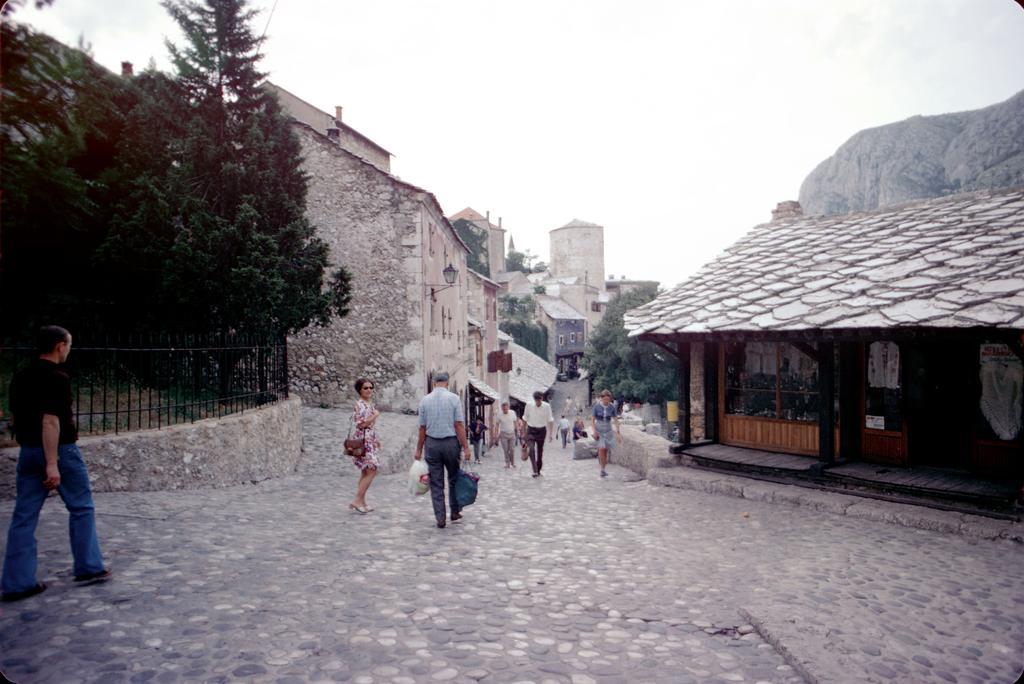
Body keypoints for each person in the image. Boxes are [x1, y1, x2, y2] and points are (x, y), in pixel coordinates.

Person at [2, 326, 109, 602]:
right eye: (68, 345)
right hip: (60, 452)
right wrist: (52, 463)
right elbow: (50, 421)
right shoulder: (57, 377)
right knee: (81, 507)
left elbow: (14, 419)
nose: (69, 351)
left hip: (28, 451)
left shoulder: (20, 376)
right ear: (60, 346)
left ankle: (17, 581)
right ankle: (89, 566)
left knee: (24, 517)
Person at [414, 371, 473, 528]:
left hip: (432, 444)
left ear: (434, 383)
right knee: (454, 478)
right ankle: (454, 511)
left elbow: (422, 428)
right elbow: (459, 425)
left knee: (436, 482)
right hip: (451, 444)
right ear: (447, 382)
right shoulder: (454, 399)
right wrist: (466, 447)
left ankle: (440, 517)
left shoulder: (424, 401)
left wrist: (419, 449)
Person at [348, 378, 380, 514]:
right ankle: (357, 500)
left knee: (365, 471)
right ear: (359, 390)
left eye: (371, 387)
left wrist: (377, 439)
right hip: (363, 441)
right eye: (365, 388)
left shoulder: (368, 403)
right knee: (373, 469)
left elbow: (370, 426)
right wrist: (375, 415)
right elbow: (361, 424)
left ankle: (362, 501)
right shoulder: (360, 405)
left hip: (369, 440)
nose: (369, 390)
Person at [522, 391, 554, 477]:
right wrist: (524, 433)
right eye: (536, 400)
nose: (538, 402)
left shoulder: (547, 406)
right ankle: (535, 470)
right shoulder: (529, 405)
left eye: (539, 400)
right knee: (531, 449)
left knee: (540, 452)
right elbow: (524, 419)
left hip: (541, 431)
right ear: (534, 400)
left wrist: (550, 434)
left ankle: (538, 470)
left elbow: (550, 420)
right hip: (531, 430)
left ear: (542, 399)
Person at [591, 389, 621, 478]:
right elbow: (592, 420)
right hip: (599, 428)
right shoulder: (596, 407)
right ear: (601, 398)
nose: (606, 401)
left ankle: (603, 467)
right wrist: (594, 431)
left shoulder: (612, 407)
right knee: (601, 448)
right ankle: (602, 470)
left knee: (606, 450)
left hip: (608, 429)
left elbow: (615, 420)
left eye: (608, 399)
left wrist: (618, 432)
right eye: (605, 399)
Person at [496, 402, 518, 469]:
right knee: (506, 450)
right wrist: (496, 433)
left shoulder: (512, 413)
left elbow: (515, 422)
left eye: (506, 409)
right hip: (503, 434)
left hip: (512, 433)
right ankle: (507, 463)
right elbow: (497, 424)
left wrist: (517, 430)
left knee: (512, 449)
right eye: (503, 409)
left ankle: (513, 463)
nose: (505, 410)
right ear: (502, 408)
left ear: (508, 407)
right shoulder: (499, 414)